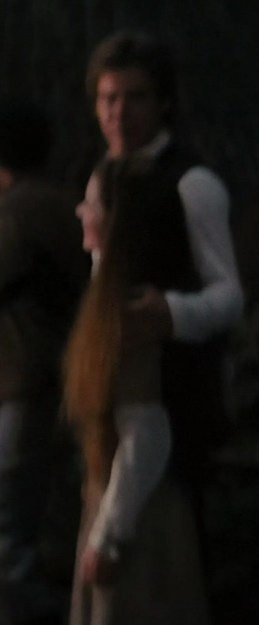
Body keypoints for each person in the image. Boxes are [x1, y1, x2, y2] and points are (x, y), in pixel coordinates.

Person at [65, 28, 243, 623]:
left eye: (135, 97)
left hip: (171, 401)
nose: (119, 113)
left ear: (162, 101)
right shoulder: (104, 177)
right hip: (117, 405)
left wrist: (170, 313)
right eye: (108, 98)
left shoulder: (192, 183)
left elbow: (228, 296)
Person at [64, 158, 211, 625]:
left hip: (139, 514)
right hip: (113, 500)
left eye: (92, 203)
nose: (81, 211)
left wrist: (109, 537)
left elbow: (145, 432)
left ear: (116, 220)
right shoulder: (110, 300)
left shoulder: (132, 312)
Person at [0, 100, 89, 624]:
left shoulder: (17, 212)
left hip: (22, 383)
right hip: (53, 378)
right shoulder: (61, 205)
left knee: (9, 537)